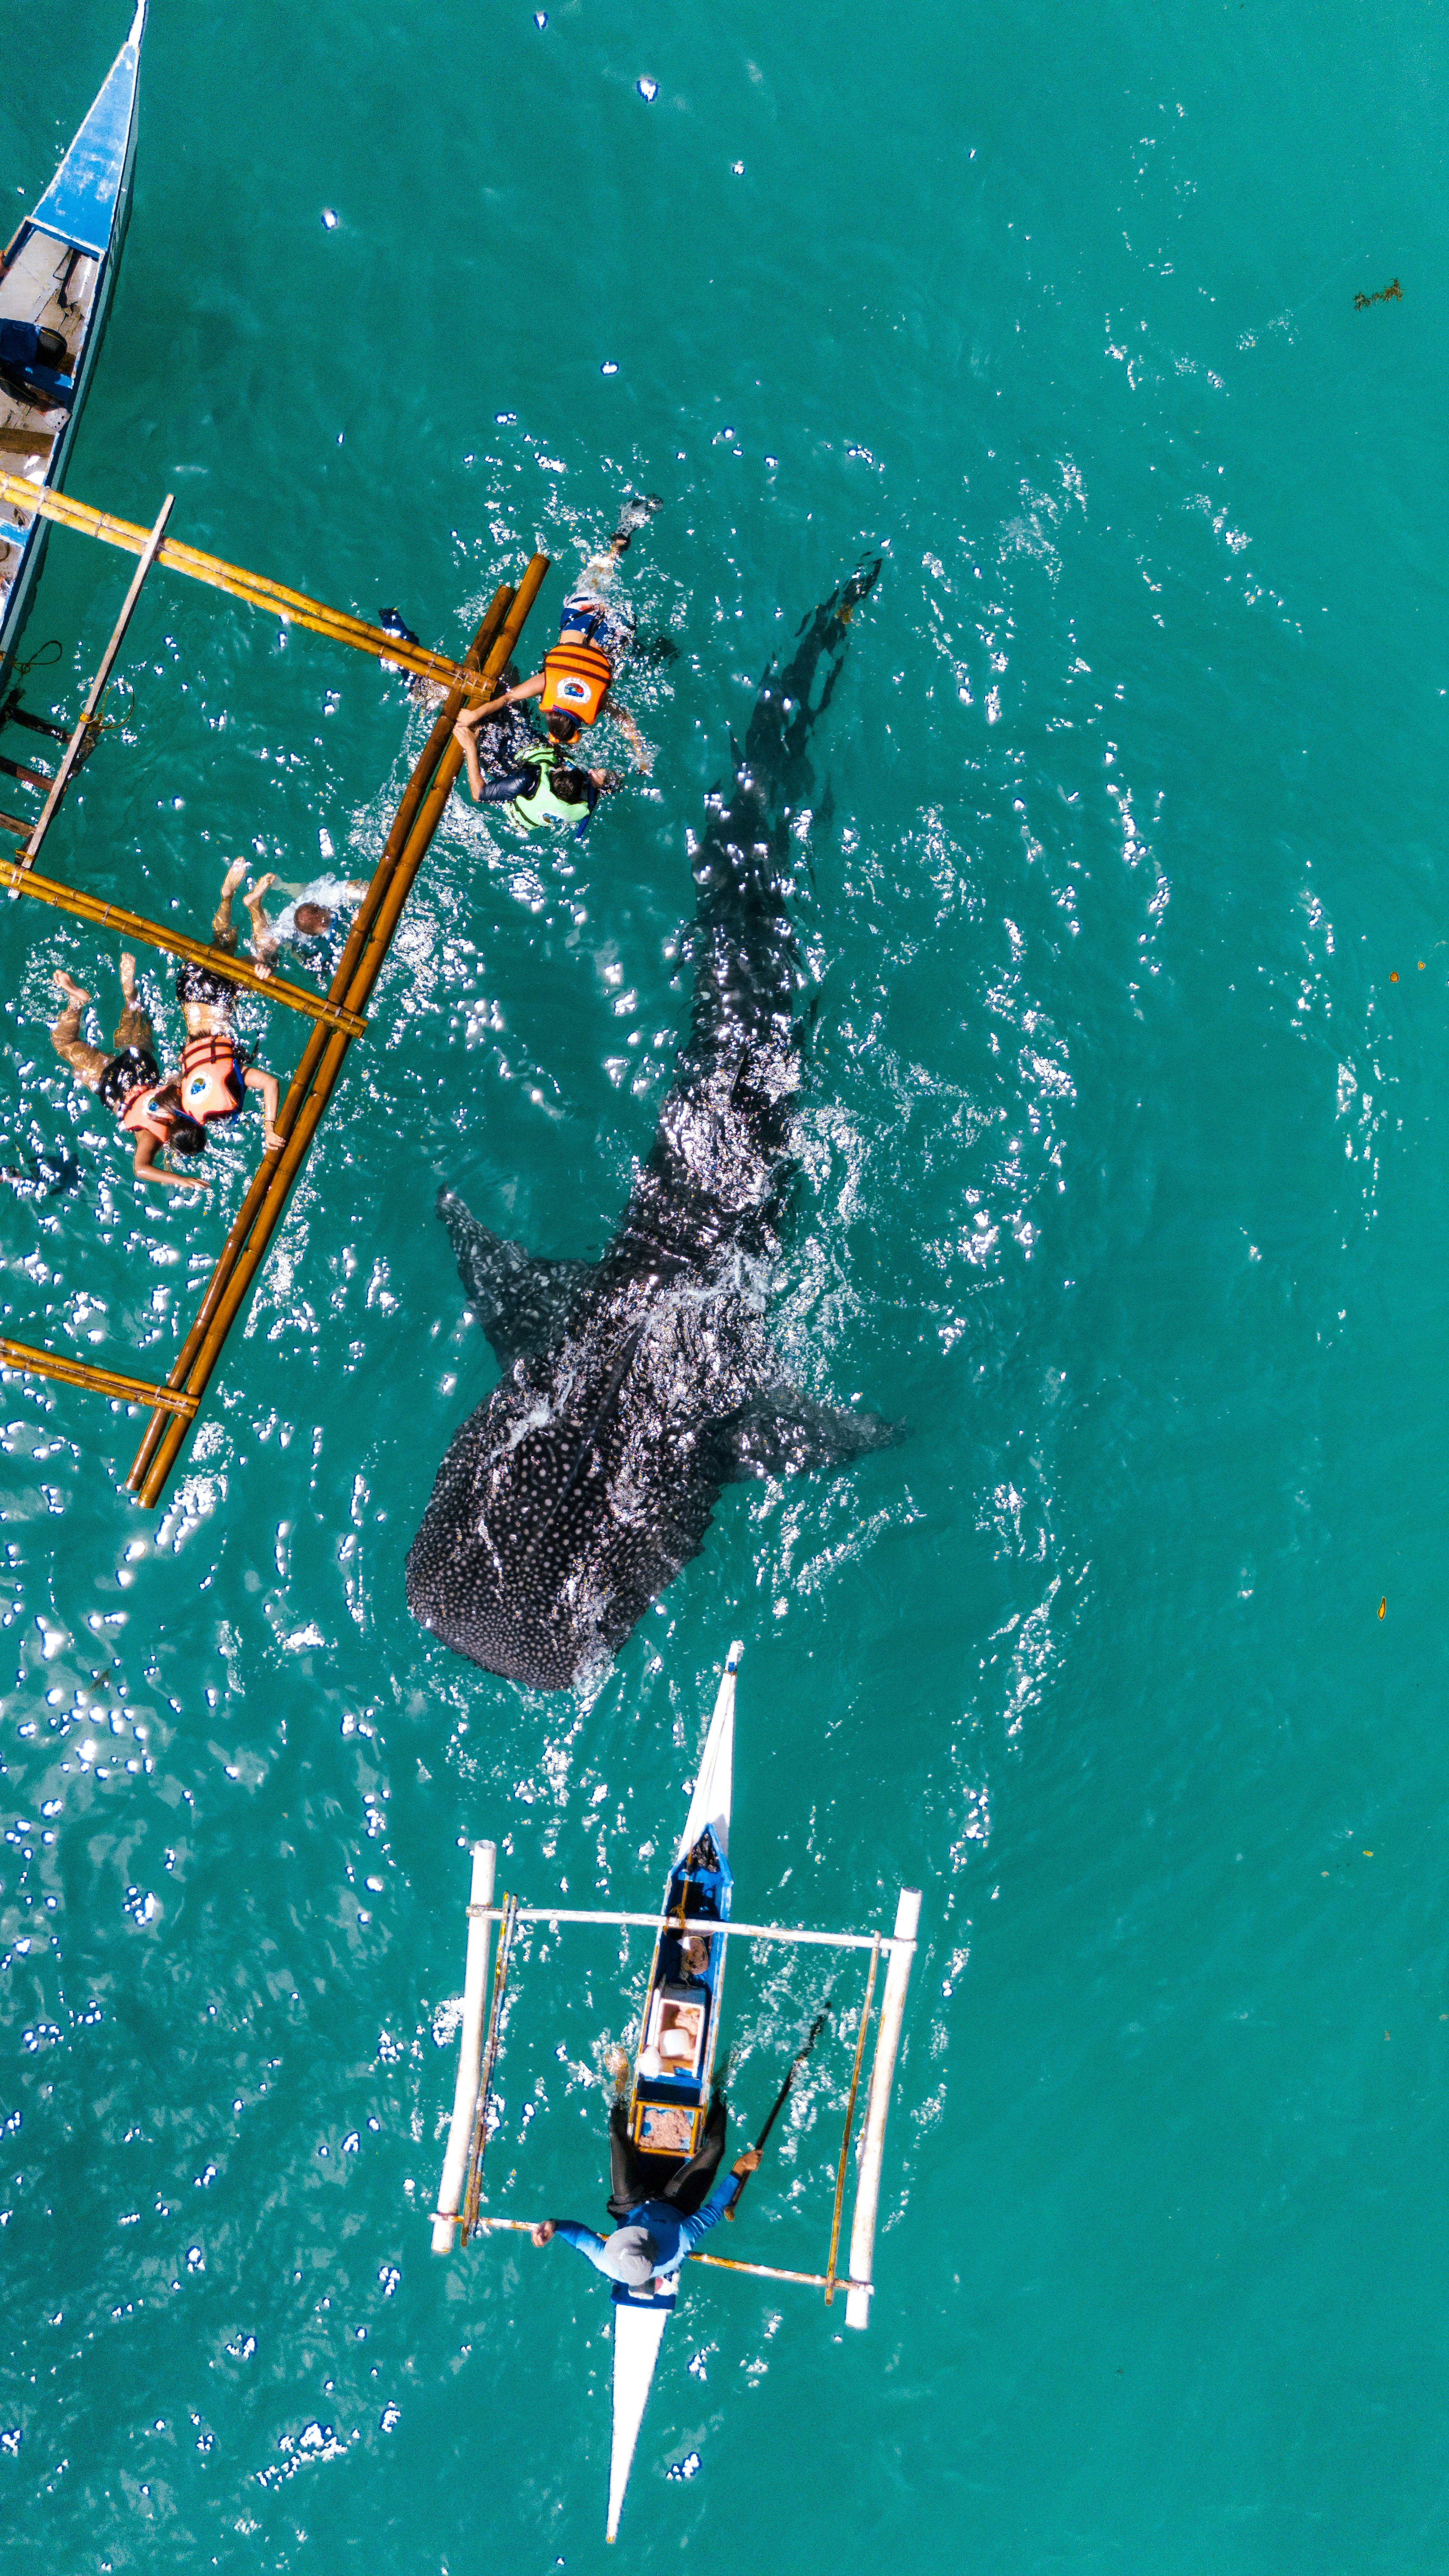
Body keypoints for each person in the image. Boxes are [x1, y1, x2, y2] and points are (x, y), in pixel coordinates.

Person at [455, 498, 662, 782]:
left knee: (620, 640)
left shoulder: (596, 702)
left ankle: (619, 545)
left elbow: (625, 720)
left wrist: (641, 753)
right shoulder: (547, 683)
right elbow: (507, 698)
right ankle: (617, 544)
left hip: (615, 629)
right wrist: (474, 714)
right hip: (579, 612)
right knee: (600, 572)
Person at [49, 954, 206, 1191]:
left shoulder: (190, 1104)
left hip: (144, 1069)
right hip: (114, 1086)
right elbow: (141, 1169)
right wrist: (180, 1180)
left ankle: (129, 994)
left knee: (134, 1031)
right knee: (64, 1044)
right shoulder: (151, 1138)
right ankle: (75, 1002)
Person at [530, 2131, 761, 2289]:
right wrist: (739, 2167)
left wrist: (555, 2225)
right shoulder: (679, 2242)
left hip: (631, 2208)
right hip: (676, 2207)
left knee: (617, 2137)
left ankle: (619, 2092)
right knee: (716, 2146)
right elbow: (714, 2209)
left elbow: (581, 2238)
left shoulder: (609, 2262)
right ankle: (719, 2093)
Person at [170, 860, 284, 1154]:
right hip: (191, 991)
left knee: (267, 960)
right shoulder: (182, 1097)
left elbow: (270, 1084)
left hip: (221, 998)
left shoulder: (226, 1097)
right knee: (225, 940)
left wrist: (269, 1127)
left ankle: (255, 905)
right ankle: (228, 897)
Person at [453, 707, 623, 834]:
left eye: (561, 768)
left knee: (483, 724)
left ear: (552, 775)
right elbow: (609, 786)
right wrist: (599, 781)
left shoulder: (529, 780)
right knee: (514, 707)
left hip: (513, 776)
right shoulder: (583, 803)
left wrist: (470, 747)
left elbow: (478, 795)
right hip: (532, 753)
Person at [242, 870, 367, 971]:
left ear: (316, 905)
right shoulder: (292, 930)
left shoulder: (324, 896)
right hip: (293, 921)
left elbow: (354, 891)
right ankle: (257, 904)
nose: (326, 921)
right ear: (311, 934)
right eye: (326, 925)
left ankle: (260, 902)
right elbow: (268, 944)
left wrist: (363, 903)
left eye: (326, 920)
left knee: (268, 941)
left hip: (307, 899)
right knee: (272, 947)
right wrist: (261, 961)